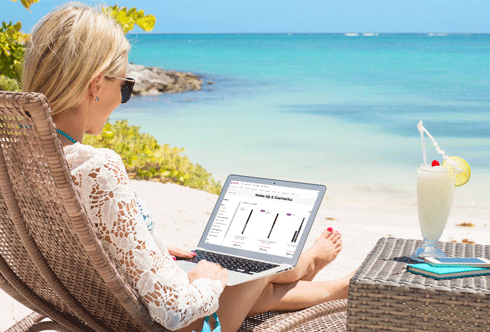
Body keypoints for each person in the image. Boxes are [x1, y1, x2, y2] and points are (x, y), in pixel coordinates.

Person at [22, 3, 354, 331]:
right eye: (125, 87)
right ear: (95, 85)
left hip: (94, 305)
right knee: (251, 256)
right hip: (175, 324)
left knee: (233, 264)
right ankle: (312, 275)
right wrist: (205, 280)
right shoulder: (96, 168)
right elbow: (173, 310)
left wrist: (136, 247)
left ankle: (303, 272)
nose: (123, 100)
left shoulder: (21, 157)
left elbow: (64, 240)